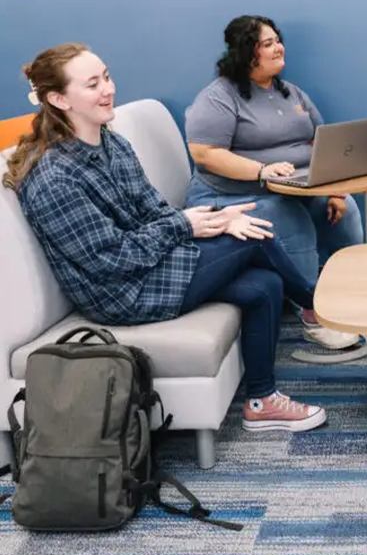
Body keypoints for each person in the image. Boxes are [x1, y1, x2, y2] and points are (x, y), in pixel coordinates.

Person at [3, 43, 328, 432]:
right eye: (92, 84)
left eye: (106, 76)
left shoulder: (112, 143)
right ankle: (320, 307)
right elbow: (111, 259)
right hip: (121, 294)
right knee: (255, 237)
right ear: (58, 98)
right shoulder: (54, 178)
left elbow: (153, 210)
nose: (108, 89)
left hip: (150, 264)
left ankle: (261, 402)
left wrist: (212, 220)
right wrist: (187, 226)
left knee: (264, 282)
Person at [185, 15, 363, 351]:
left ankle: (354, 295)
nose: (278, 47)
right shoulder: (219, 96)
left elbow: (318, 143)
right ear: (246, 53)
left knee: (347, 209)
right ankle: (314, 313)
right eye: (267, 43)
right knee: (288, 217)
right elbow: (204, 153)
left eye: (277, 40)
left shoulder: (290, 92)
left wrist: (337, 189)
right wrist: (260, 171)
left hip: (296, 186)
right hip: (231, 194)